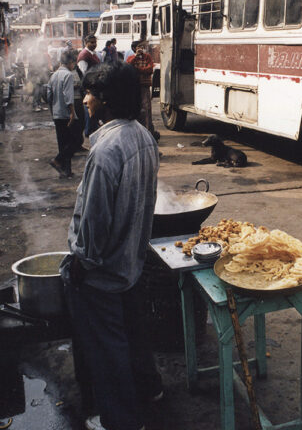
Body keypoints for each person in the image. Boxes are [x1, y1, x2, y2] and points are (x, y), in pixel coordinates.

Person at [60, 62, 160, 430]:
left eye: (89, 94)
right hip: (130, 263)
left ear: (104, 100)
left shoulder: (105, 152)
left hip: (103, 272)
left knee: (108, 350)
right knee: (132, 335)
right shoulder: (143, 138)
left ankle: (122, 421)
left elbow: (94, 226)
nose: (84, 100)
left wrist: (80, 264)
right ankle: (150, 390)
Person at [47, 49, 78, 178]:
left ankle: (65, 171)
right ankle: (57, 160)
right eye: (74, 63)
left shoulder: (54, 75)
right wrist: (72, 113)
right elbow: (68, 96)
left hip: (56, 113)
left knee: (62, 143)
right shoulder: (68, 75)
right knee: (75, 141)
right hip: (66, 113)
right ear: (70, 62)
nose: (74, 65)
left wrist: (52, 110)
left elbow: (49, 95)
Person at [126, 41, 159, 140]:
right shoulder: (131, 58)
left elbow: (150, 69)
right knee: (136, 108)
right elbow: (129, 67)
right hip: (134, 86)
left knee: (146, 108)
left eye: (142, 46)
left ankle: (147, 131)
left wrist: (137, 69)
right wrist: (136, 57)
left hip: (145, 86)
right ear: (134, 48)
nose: (141, 48)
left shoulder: (147, 57)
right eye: (139, 47)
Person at [77, 35, 100, 136]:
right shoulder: (84, 55)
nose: (94, 44)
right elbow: (83, 74)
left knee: (95, 108)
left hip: (94, 85)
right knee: (89, 109)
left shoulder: (93, 54)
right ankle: (89, 131)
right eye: (91, 42)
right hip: (88, 87)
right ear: (86, 43)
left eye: (95, 42)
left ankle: (93, 129)